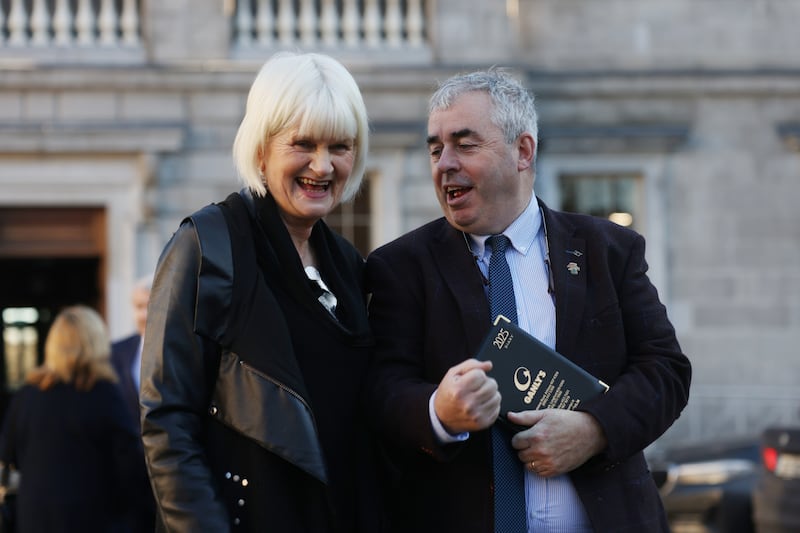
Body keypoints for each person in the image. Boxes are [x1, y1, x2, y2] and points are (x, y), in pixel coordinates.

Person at [365, 68, 692, 532]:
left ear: (522, 151)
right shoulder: (400, 267)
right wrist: (439, 411)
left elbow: (665, 371)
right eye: (436, 148)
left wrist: (595, 430)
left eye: (465, 144)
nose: (444, 164)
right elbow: (382, 389)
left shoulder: (607, 250)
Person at [140, 51, 383, 532]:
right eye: (303, 143)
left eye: (340, 145)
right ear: (260, 149)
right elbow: (167, 423)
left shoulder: (350, 267)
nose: (323, 164)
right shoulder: (206, 245)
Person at [0, 305, 146, 533]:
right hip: (93, 520)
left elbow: (9, 455)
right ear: (96, 343)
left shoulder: (27, 394)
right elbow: (130, 468)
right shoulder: (104, 394)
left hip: (35, 520)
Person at [111, 273, 156, 532]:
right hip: (127, 475)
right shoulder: (115, 353)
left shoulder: (184, 351)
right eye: (139, 307)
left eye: (150, 306)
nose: (144, 315)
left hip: (171, 468)